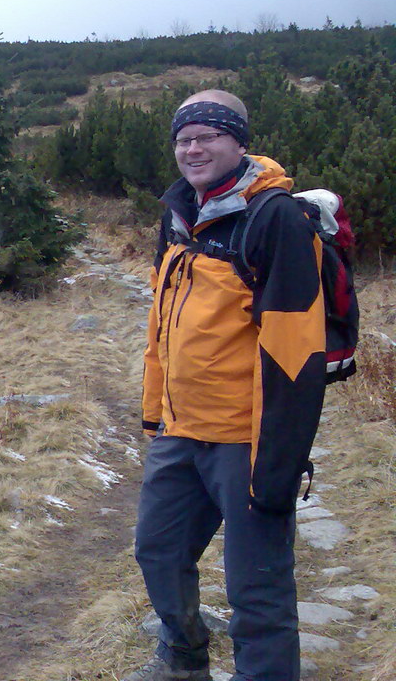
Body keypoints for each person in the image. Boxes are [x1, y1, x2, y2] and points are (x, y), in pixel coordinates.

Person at [125, 90, 326, 681]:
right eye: (184, 139)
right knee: (157, 551)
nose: (193, 148)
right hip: (180, 431)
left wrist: (279, 463)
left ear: (239, 142)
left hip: (246, 439)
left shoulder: (276, 219)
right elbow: (161, 326)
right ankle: (184, 657)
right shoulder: (179, 213)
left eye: (208, 136)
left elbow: (295, 355)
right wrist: (154, 415)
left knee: (256, 585)